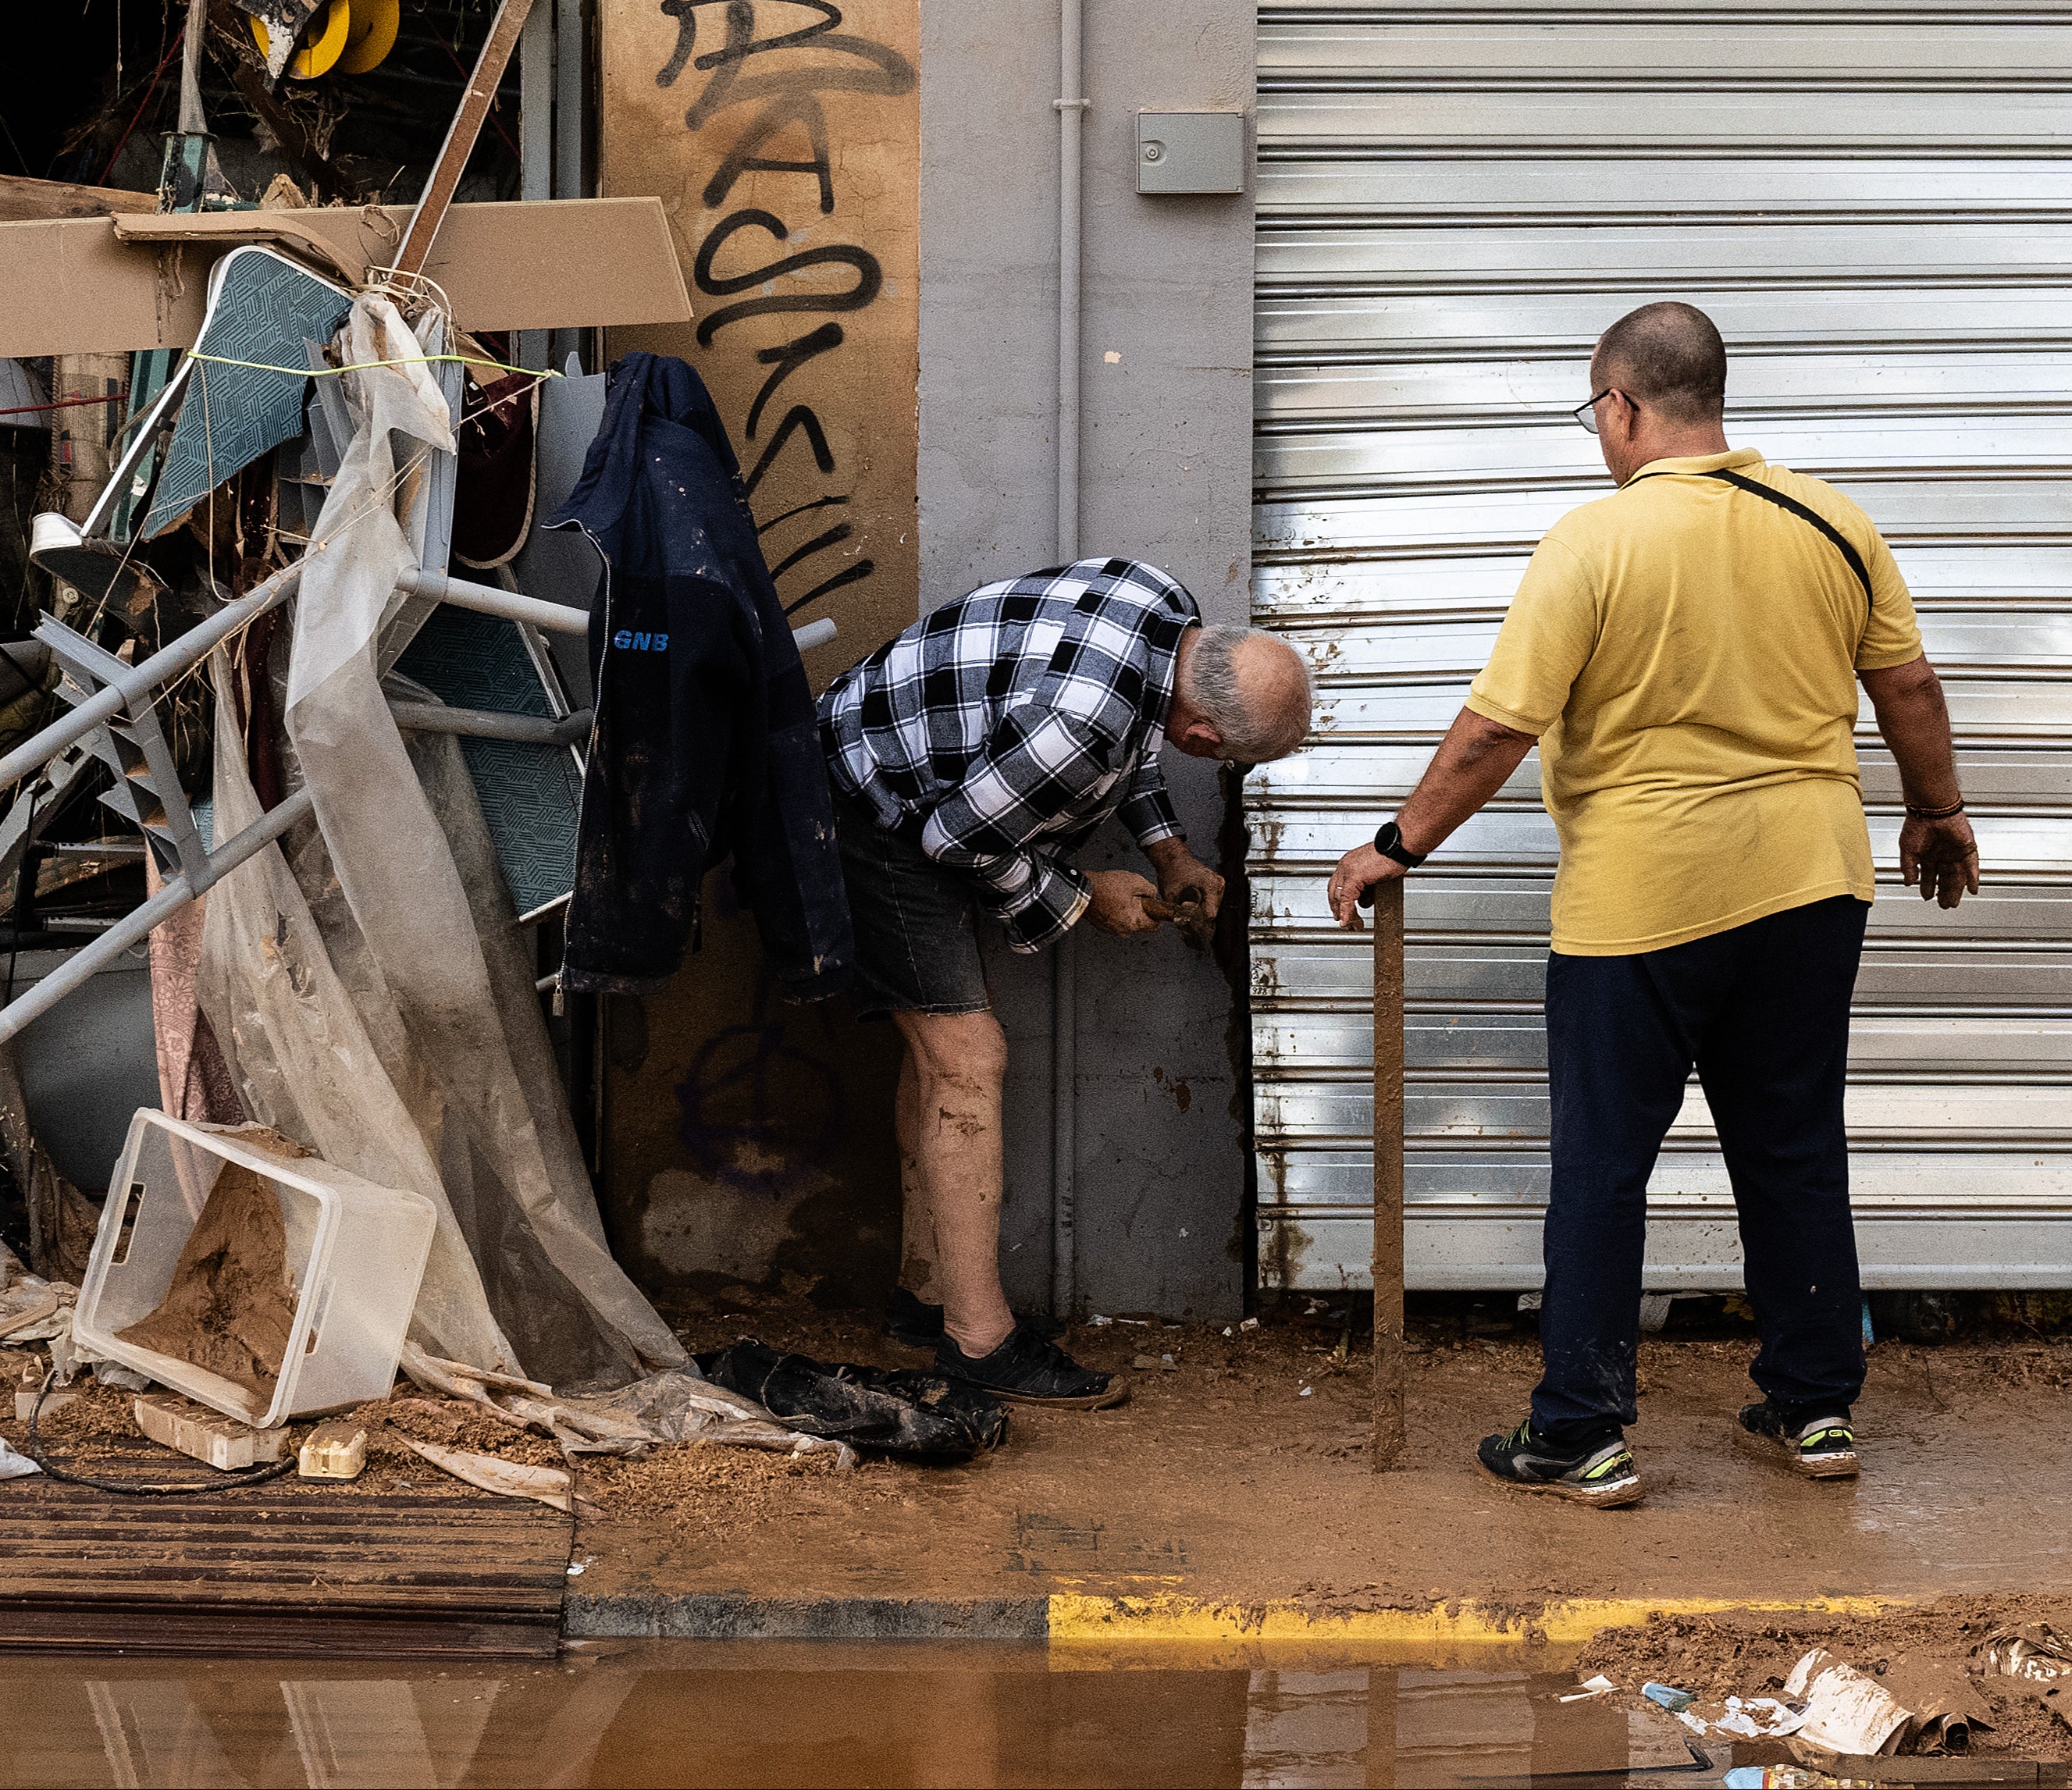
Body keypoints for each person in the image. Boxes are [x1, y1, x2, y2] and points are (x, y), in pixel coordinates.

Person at [1326, 301, 1978, 1507]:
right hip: (1808, 884)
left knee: (1604, 1163)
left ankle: (1579, 1429)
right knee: (1790, 1146)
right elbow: (1911, 683)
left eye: (1595, 410)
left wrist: (1393, 843)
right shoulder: (1833, 520)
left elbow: (1494, 731)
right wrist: (1937, 807)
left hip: (1645, 900)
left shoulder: (1595, 541)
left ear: (1622, 405)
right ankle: (1816, 1405)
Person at [819, 557, 1315, 1406]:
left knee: (937, 1059)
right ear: (1203, 738)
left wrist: (1167, 852)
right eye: (1220, 754)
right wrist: (1086, 897)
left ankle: (928, 1296)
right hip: (864, 801)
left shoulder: (1167, 603)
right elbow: (953, 841)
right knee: (966, 1060)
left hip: (906, 762)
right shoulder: (1080, 729)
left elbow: (1132, 737)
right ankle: (978, 1344)